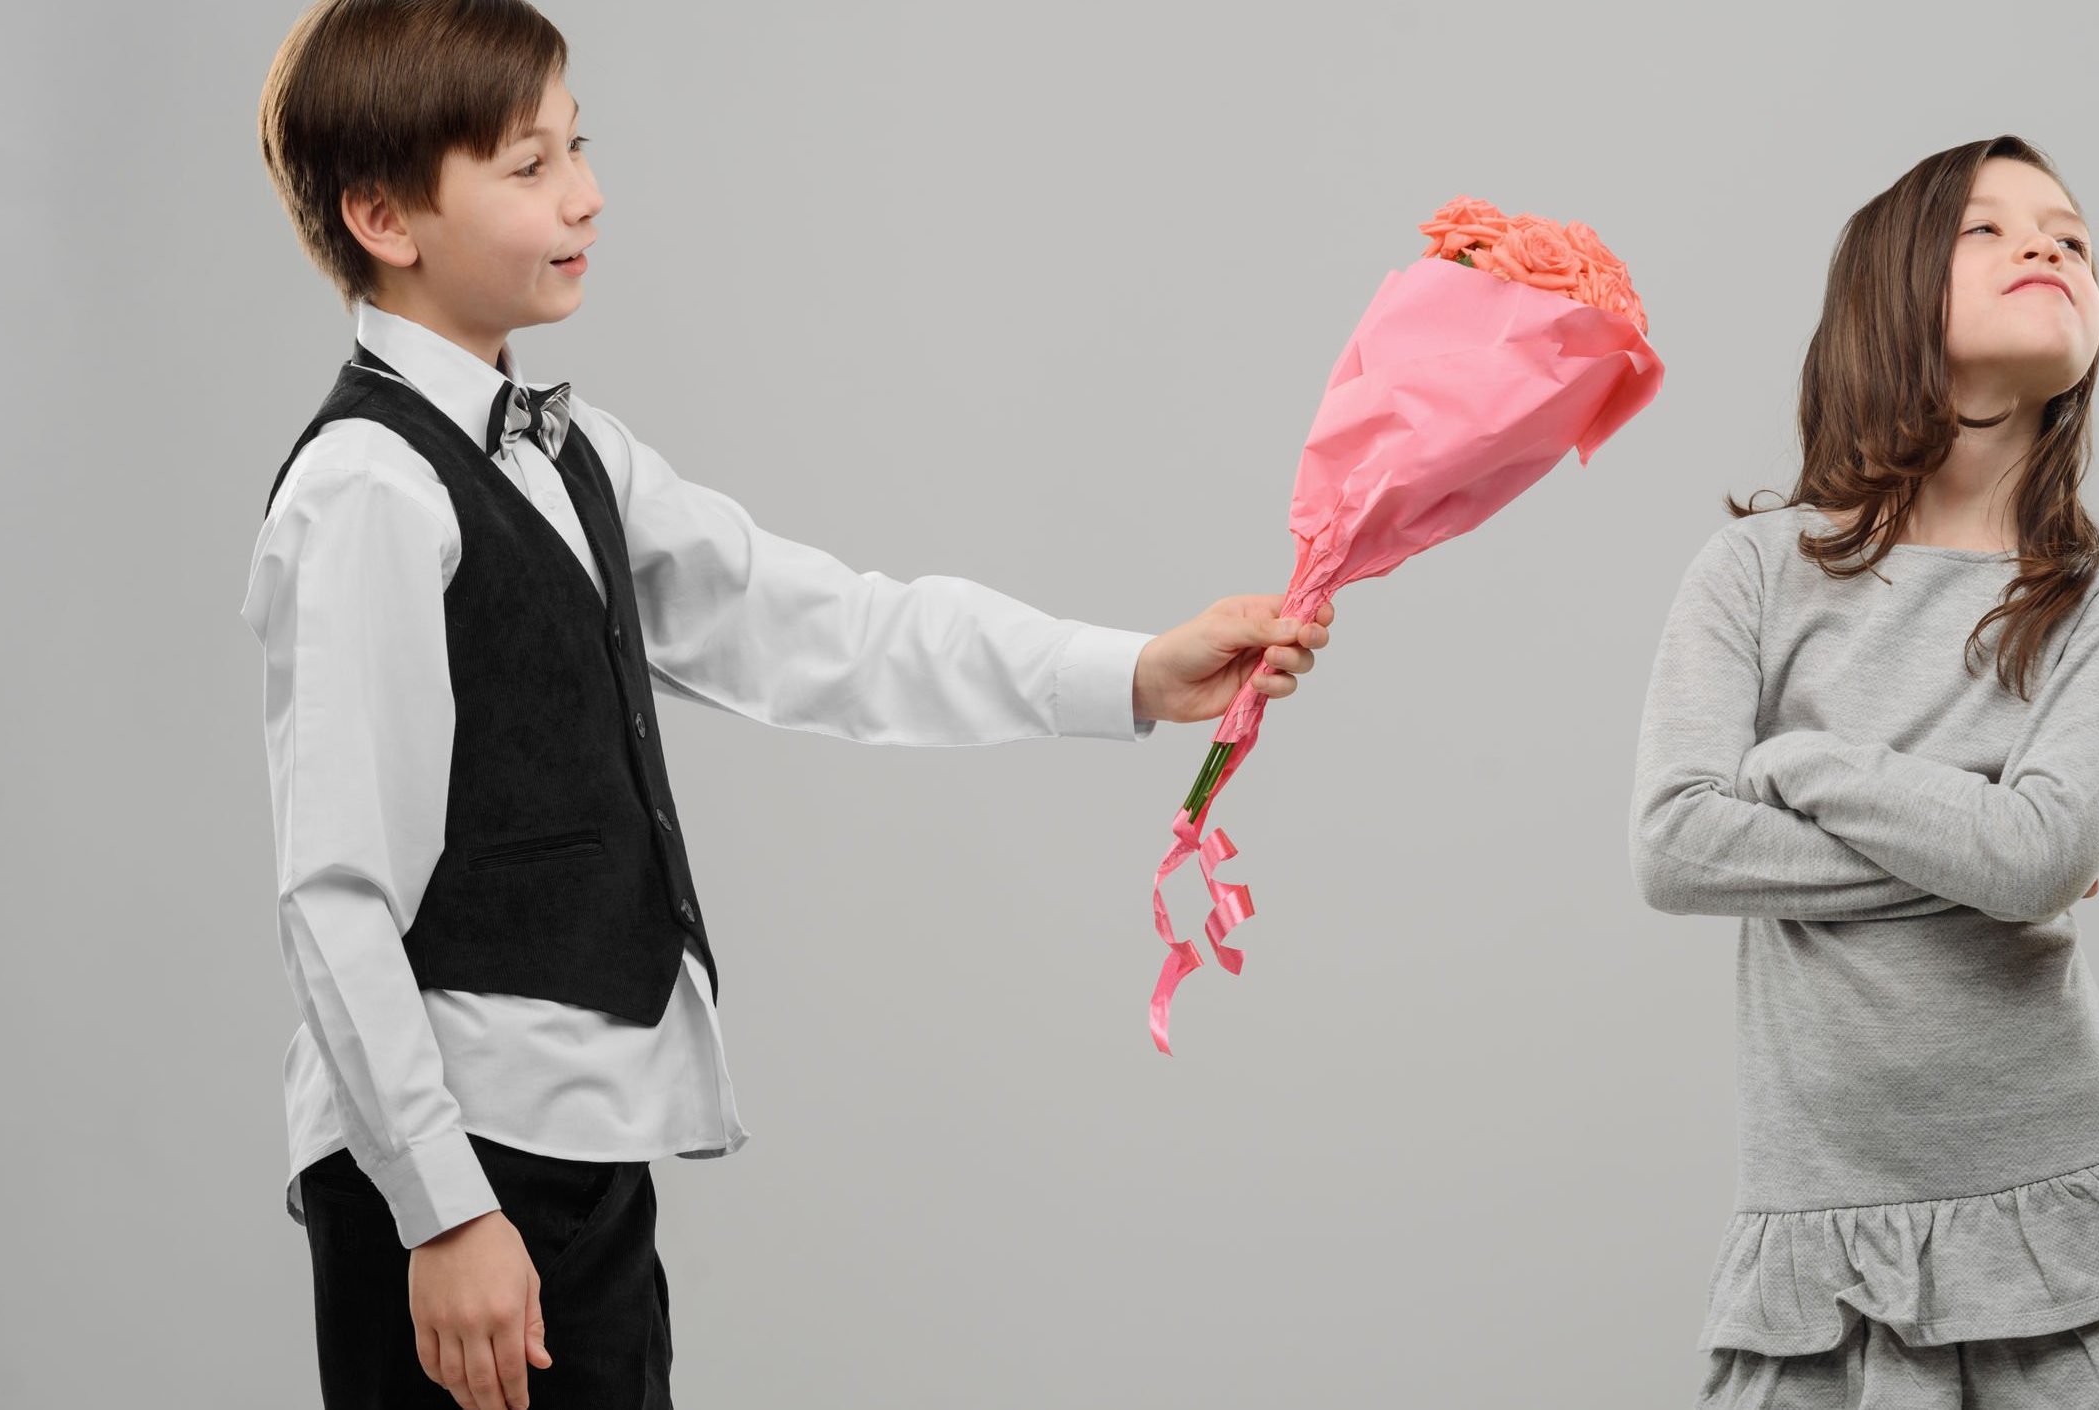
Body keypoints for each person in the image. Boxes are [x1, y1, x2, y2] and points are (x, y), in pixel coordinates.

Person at [245, 3, 1333, 1406]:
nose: (583, 192)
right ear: (383, 214)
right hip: (464, 1165)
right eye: (526, 167)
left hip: (582, 1153)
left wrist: (1126, 670)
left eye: (578, 147)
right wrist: (440, 1207)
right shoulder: (367, 492)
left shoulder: (572, 455)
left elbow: (825, 626)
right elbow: (332, 894)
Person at [1628, 137, 2099, 1408]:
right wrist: (1977, 849)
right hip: (1824, 1247)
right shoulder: (1754, 577)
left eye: (2071, 237)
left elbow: (2037, 858)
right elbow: (1673, 846)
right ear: (1890, 292)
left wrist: (1802, 760)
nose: (2046, 247)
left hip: (2066, 1215)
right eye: (1988, 230)